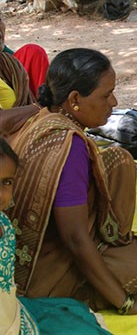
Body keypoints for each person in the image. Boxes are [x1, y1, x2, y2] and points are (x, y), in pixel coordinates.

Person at [7, 48, 137, 315]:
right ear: (75, 99)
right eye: (105, 95)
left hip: (26, 253)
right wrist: (125, 302)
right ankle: (83, 290)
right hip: (44, 271)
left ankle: (107, 251)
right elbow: (76, 238)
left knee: (118, 160)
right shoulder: (70, 145)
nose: (113, 102)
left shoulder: (40, 117)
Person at [0, 137, 112, 334]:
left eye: (6, 182)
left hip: (10, 314)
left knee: (74, 319)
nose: (1, 194)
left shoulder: (4, 224)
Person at [0, 15, 36, 109]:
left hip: (27, 119)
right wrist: (37, 109)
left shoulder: (8, 61)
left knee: (33, 52)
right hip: (13, 121)